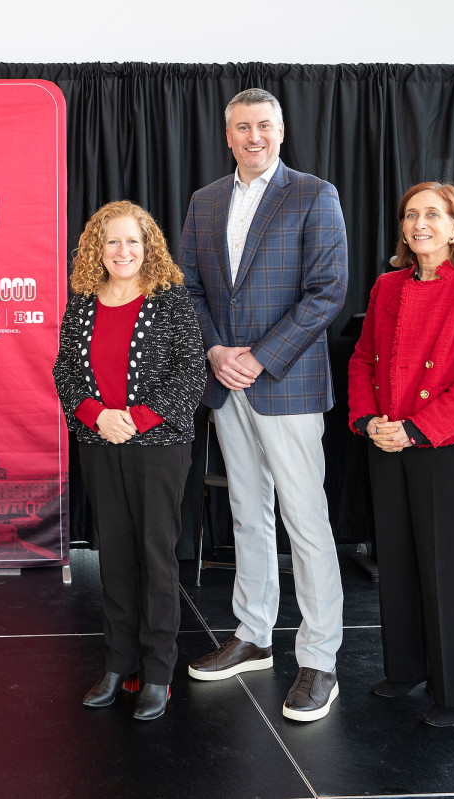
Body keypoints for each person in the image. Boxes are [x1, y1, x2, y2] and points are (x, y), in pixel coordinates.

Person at [179, 88, 348, 722]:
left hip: (287, 382)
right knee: (249, 512)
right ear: (228, 136)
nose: (255, 137)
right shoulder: (205, 201)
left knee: (306, 520)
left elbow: (327, 291)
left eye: (265, 127)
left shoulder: (313, 193)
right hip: (227, 381)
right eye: (244, 127)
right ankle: (253, 635)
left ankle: (320, 658)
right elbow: (189, 286)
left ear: (281, 132)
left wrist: (260, 354)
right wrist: (218, 350)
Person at [348, 183, 454, 727]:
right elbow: (364, 359)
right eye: (411, 215)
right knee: (397, 561)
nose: (420, 224)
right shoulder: (387, 286)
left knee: (450, 571)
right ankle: (408, 666)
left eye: (433, 214)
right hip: (387, 438)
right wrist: (369, 421)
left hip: (448, 443)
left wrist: (418, 428)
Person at [53, 201, 206, 721]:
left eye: (133, 241)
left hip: (158, 447)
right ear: (98, 248)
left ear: (149, 248)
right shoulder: (82, 302)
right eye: (112, 242)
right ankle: (118, 663)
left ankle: (158, 672)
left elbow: (190, 376)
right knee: (114, 557)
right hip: (99, 442)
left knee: (156, 558)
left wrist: (136, 419)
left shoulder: (170, 301)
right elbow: (65, 373)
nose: (123, 251)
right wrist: (97, 416)